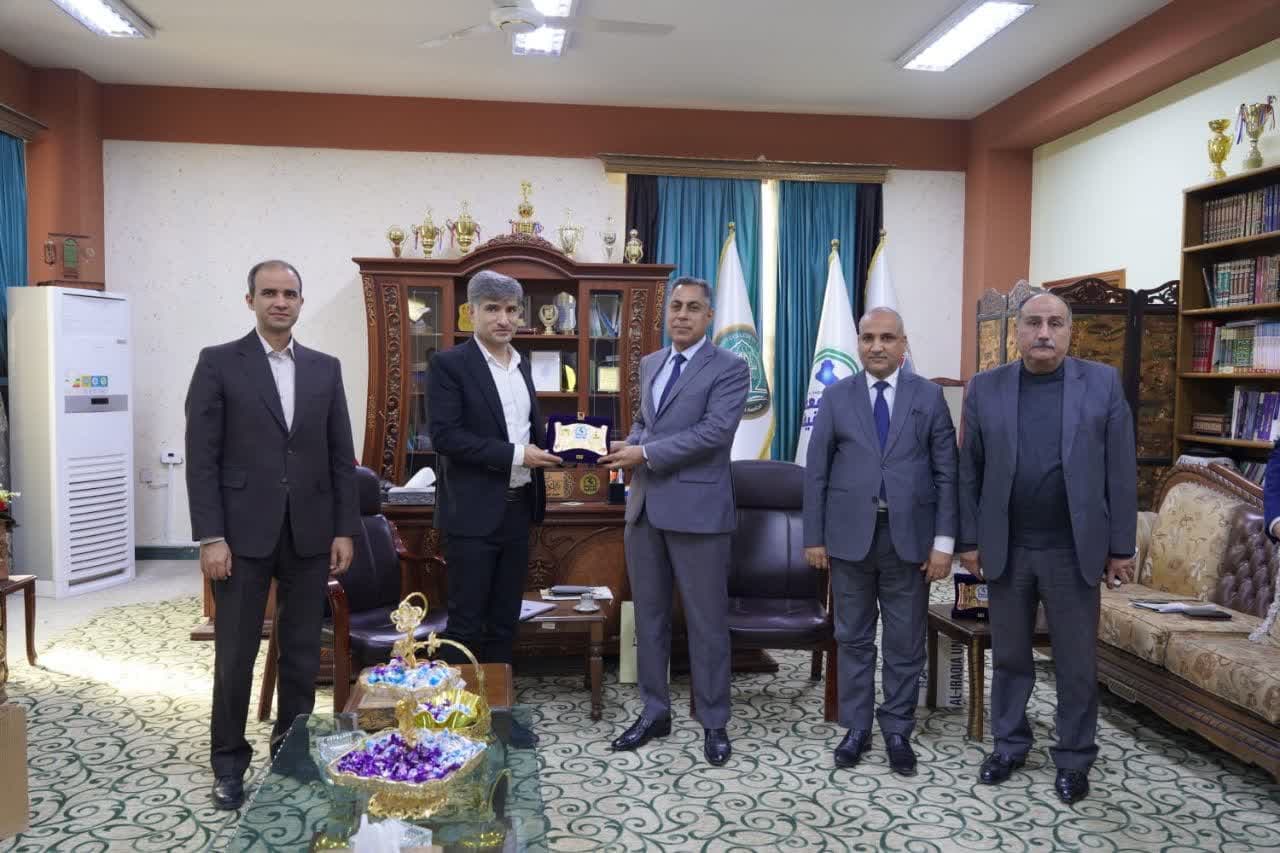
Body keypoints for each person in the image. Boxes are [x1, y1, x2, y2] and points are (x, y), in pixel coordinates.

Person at [185, 260, 358, 810]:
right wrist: (210, 536)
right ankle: (228, 763)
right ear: (251, 300)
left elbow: (341, 457)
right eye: (269, 293)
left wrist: (344, 530)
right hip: (240, 536)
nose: (280, 302)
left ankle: (292, 753)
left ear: (301, 302)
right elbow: (201, 458)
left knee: (303, 654)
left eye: (289, 294)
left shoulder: (325, 368)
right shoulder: (218, 363)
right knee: (235, 656)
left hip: (309, 532)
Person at [956, 291, 1137, 805]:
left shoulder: (1101, 383)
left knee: (1076, 662)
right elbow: (969, 472)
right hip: (1008, 547)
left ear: (1070, 331)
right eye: (1033, 323)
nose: (1043, 333)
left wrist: (1121, 547)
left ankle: (1075, 758)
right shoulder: (985, 387)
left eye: (1055, 323)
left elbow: (1121, 470)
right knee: (1010, 656)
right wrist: (969, 540)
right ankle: (1009, 745)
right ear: (1015, 331)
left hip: (1073, 549)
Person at [600, 276, 749, 766]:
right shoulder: (652, 362)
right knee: (649, 619)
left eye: (693, 308)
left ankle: (714, 721)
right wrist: (628, 444)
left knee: (706, 623)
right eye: (676, 306)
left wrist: (643, 453)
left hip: (699, 512)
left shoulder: (730, 367)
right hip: (645, 509)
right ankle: (655, 711)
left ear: (709, 316)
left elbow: (714, 433)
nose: (682, 315)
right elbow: (647, 422)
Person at [802, 307, 957, 776]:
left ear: (903, 344)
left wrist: (944, 543)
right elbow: (817, 473)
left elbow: (947, 474)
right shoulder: (836, 396)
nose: (877, 346)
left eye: (887, 338)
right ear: (858, 343)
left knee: (905, 641)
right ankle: (856, 728)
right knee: (853, 637)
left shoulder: (928, 396)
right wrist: (814, 537)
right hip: (848, 539)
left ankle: (897, 730)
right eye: (868, 337)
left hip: (910, 541)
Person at [427, 270, 560, 745]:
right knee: (467, 623)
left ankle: (499, 717)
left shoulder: (521, 366)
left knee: (505, 620)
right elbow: (446, 437)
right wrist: (519, 455)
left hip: (518, 508)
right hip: (472, 514)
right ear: (471, 313)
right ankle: (459, 722)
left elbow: (528, 432)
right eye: (492, 309)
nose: (503, 319)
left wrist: (568, 446)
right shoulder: (449, 365)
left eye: (511, 310)